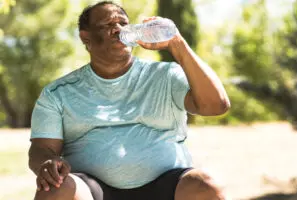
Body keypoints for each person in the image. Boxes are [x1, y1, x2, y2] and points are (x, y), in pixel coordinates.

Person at [28, 1, 231, 200]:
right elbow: (41, 149)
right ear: (86, 37)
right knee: (55, 189)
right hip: (93, 190)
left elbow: (216, 105)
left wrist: (177, 44)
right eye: (107, 25)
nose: (117, 29)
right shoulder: (58, 93)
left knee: (207, 185)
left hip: (168, 185)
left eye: (123, 24)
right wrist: (47, 162)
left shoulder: (166, 75)